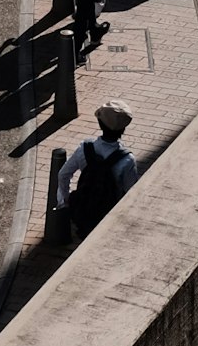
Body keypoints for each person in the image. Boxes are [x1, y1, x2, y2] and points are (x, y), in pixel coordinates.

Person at [56, 99, 138, 240]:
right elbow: (132, 192)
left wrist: (65, 201)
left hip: (83, 210)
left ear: (100, 124)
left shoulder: (85, 148)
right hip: (109, 215)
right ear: (124, 129)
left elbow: (63, 174)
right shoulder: (127, 159)